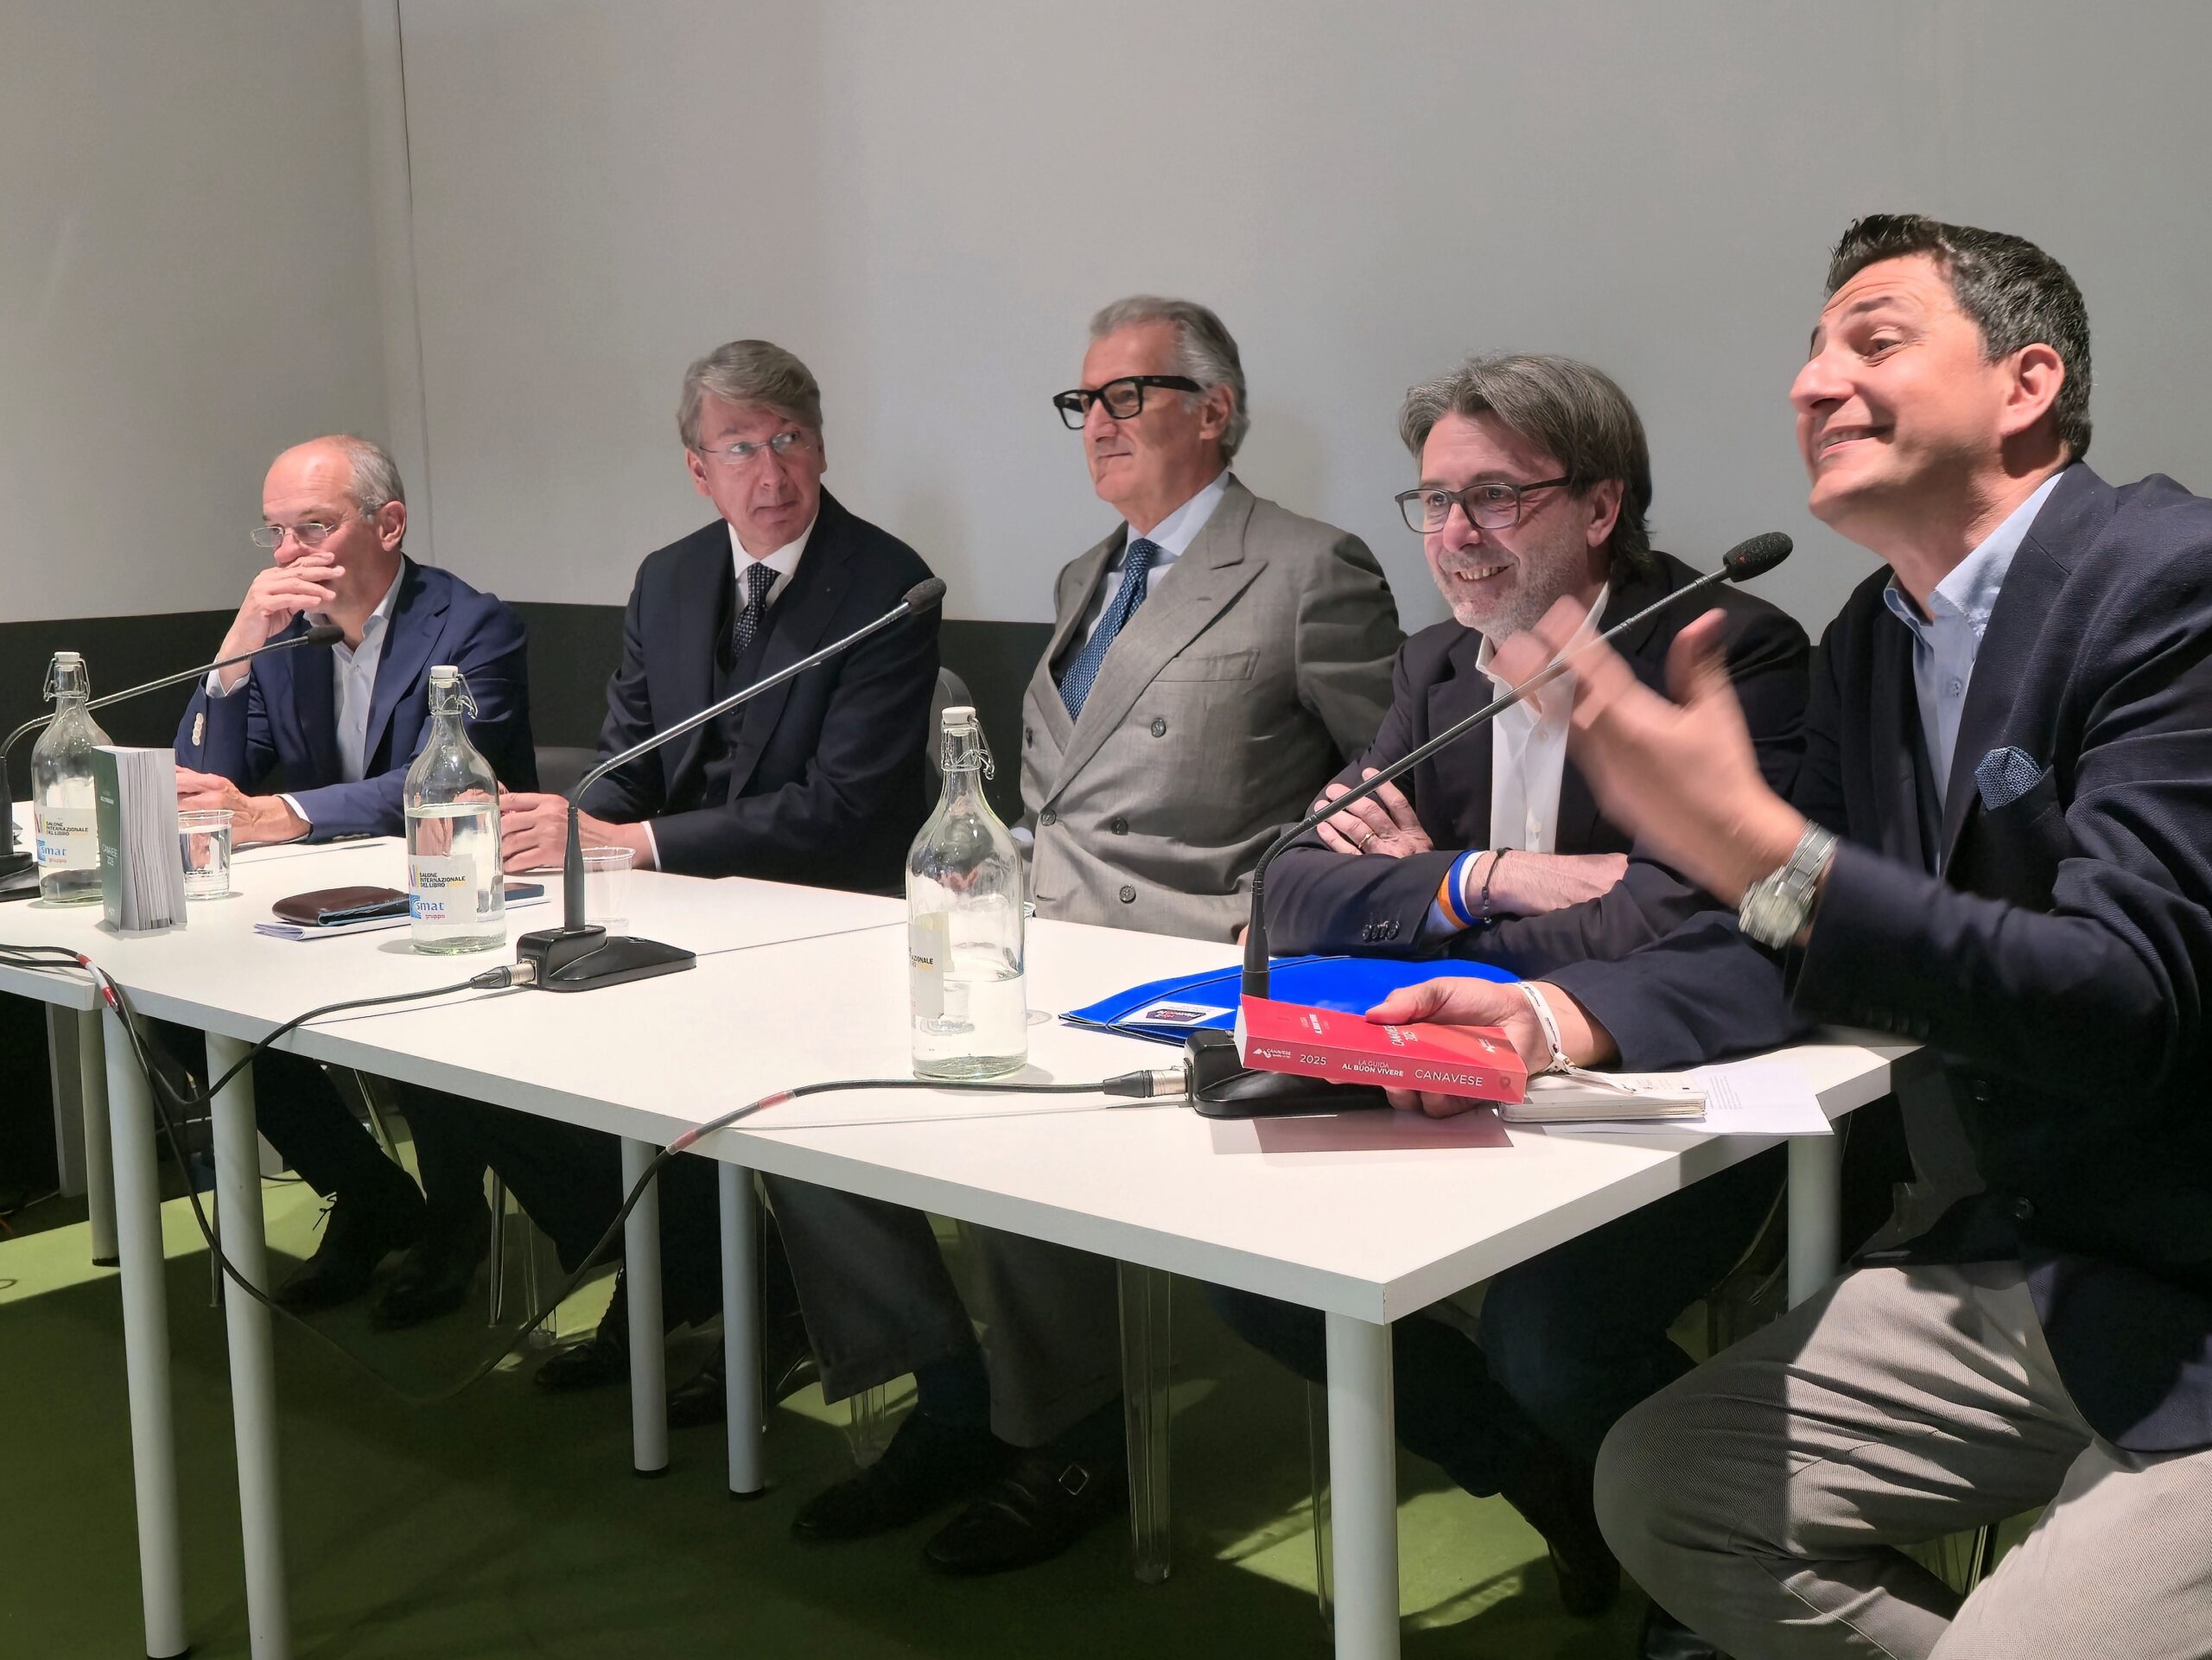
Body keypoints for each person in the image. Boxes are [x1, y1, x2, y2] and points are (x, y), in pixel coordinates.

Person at [1401, 215, 2212, 1657]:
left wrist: (1764, 852)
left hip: (2189, 1279)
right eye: (1812, 348)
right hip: (2034, 1258)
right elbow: (1785, 932)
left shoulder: (2172, 581)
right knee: (1663, 1488)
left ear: (2027, 385)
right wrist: (1555, 1020)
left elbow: (2128, 997)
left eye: (1874, 340)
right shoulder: (1872, 639)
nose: (1812, 381)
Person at [761, 296, 1403, 1579]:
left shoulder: (1307, 569)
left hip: (1186, 964)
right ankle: (950, 1390)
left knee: (1007, 1119)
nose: (1097, 423)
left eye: (1128, 395)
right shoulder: (1082, 577)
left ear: (1214, 411)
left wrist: (1283, 910)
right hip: (1036, 937)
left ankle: (1068, 1439)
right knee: (800, 1103)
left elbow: (1394, 781)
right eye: (1083, 402)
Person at [1210, 353, 1810, 1624]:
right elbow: (1292, 886)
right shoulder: (1435, 664)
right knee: (1248, 1263)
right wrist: (1488, 875)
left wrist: (1423, 914)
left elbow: (1691, 915)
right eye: (1433, 501)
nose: (1455, 533)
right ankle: (1551, 1485)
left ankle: (1697, 1576)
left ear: (1600, 506)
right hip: (1455, 1071)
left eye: (1495, 496)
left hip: (1664, 1083)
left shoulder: (1725, 649)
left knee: (1546, 1333)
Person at [382, 341, 940, 1414]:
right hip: (673, 907)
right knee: (488, 1043)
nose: (770, 472)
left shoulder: (887, 585)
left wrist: (634, 843)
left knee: (694, 1059)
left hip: (827, 920)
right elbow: (627, 761)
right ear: (697, 469)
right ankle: (700, 1277)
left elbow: (847, 807)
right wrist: (572, 830)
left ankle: (734, 1295)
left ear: (822, 448)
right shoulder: (670, 577)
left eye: (790, 440)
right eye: (740, 448)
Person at [171, 434, 535, 1313]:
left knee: (411, 1011)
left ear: (389, 524)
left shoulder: (470, 627)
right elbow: (207, 785)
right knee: (173, 1001)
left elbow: (436, 783)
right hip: (331, 905)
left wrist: (285, 813)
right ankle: (368, 1191)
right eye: (275, 532)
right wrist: (237, 649)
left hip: (459, 899)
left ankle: (454, 1220)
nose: (288, 554)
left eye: (313, 527)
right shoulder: (288, 641)